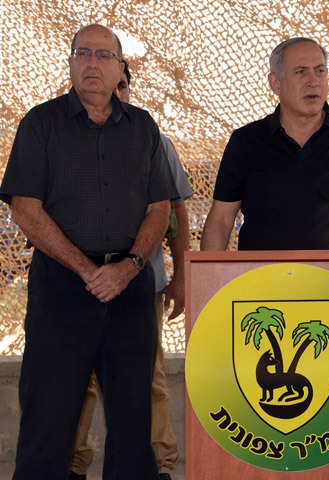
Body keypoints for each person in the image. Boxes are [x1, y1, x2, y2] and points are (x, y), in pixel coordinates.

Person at [1, 24, 178, 479]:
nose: (92, 63)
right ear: (70, 64)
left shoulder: (143, 127)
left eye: (103, 55)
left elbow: (160, 208)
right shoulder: (41, 124)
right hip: (62, 287)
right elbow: (25, 208)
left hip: (131, 288)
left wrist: (130, 266)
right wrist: (86, 269)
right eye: (82, 53)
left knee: (133, 416)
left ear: (121, 69)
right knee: (49, 414)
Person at [68, 60, 192, 480]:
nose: (116, 93)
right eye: (110, 85)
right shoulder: (62, 137)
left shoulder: (155, 141)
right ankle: (73, 465)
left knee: (148, 379)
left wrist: (180, 276)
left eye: (123, 86)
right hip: (74, 286)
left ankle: (156, 464)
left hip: (142, 288)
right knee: (77, 382)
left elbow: (177, 212)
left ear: (128, 89)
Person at [200, 37, 329, 251]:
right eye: (301, 72)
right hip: (261, 279)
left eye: (320, 71)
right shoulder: (245, 141)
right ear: (275, 83)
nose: (313, 81)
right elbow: (221, 219)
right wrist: (209, 279)